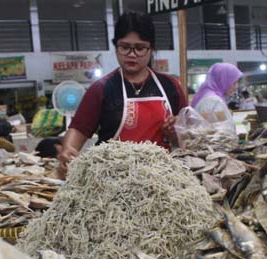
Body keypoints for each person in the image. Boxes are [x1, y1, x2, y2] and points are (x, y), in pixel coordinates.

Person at [57, 11, 188, 177]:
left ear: (151, 49)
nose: (132, 55)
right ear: (116, 46)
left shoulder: (170, 86)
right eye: (125, 47)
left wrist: (178, 130)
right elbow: (78, 129)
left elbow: (190, 134)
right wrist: (68, 149)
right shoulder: (102, 89)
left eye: (140, 48)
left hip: (162, 177)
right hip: (112, 178)